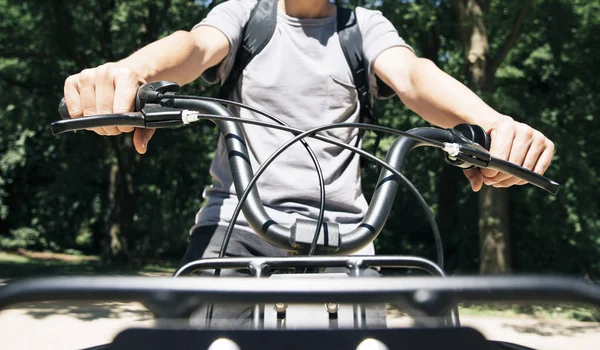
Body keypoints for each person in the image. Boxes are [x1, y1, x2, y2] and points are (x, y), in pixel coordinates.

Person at [63, 0, 554, 326]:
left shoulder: (363, 25)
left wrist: (492, 124)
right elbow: (193, 46)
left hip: (347, 241)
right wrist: (130, 72)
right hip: (234, 229)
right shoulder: (245, 13)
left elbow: (413, 76)